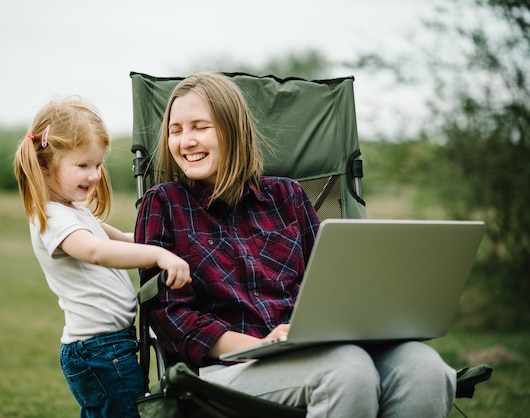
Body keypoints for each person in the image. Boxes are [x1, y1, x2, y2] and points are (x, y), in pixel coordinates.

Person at [134, 73, 457, 417]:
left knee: (425, 369)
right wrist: (262, 345)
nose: (186, 141)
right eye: (176, 130)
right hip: (225, 370)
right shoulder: (164, 204)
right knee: (346, 370)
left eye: (200, 127)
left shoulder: (286, 196)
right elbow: (171, 316)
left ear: (233, 130)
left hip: (316, 348)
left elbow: (332, 283)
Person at [13, 97, 191, 418]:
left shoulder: (74, 211)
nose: (94, 175)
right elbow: (95, 251)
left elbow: (123, 239)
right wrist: (158, 255)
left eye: (97, 165)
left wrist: (175, 242)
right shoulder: (53, 218)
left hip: (108, 346)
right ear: (44, 165)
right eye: (82, 165)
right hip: (99, 350)